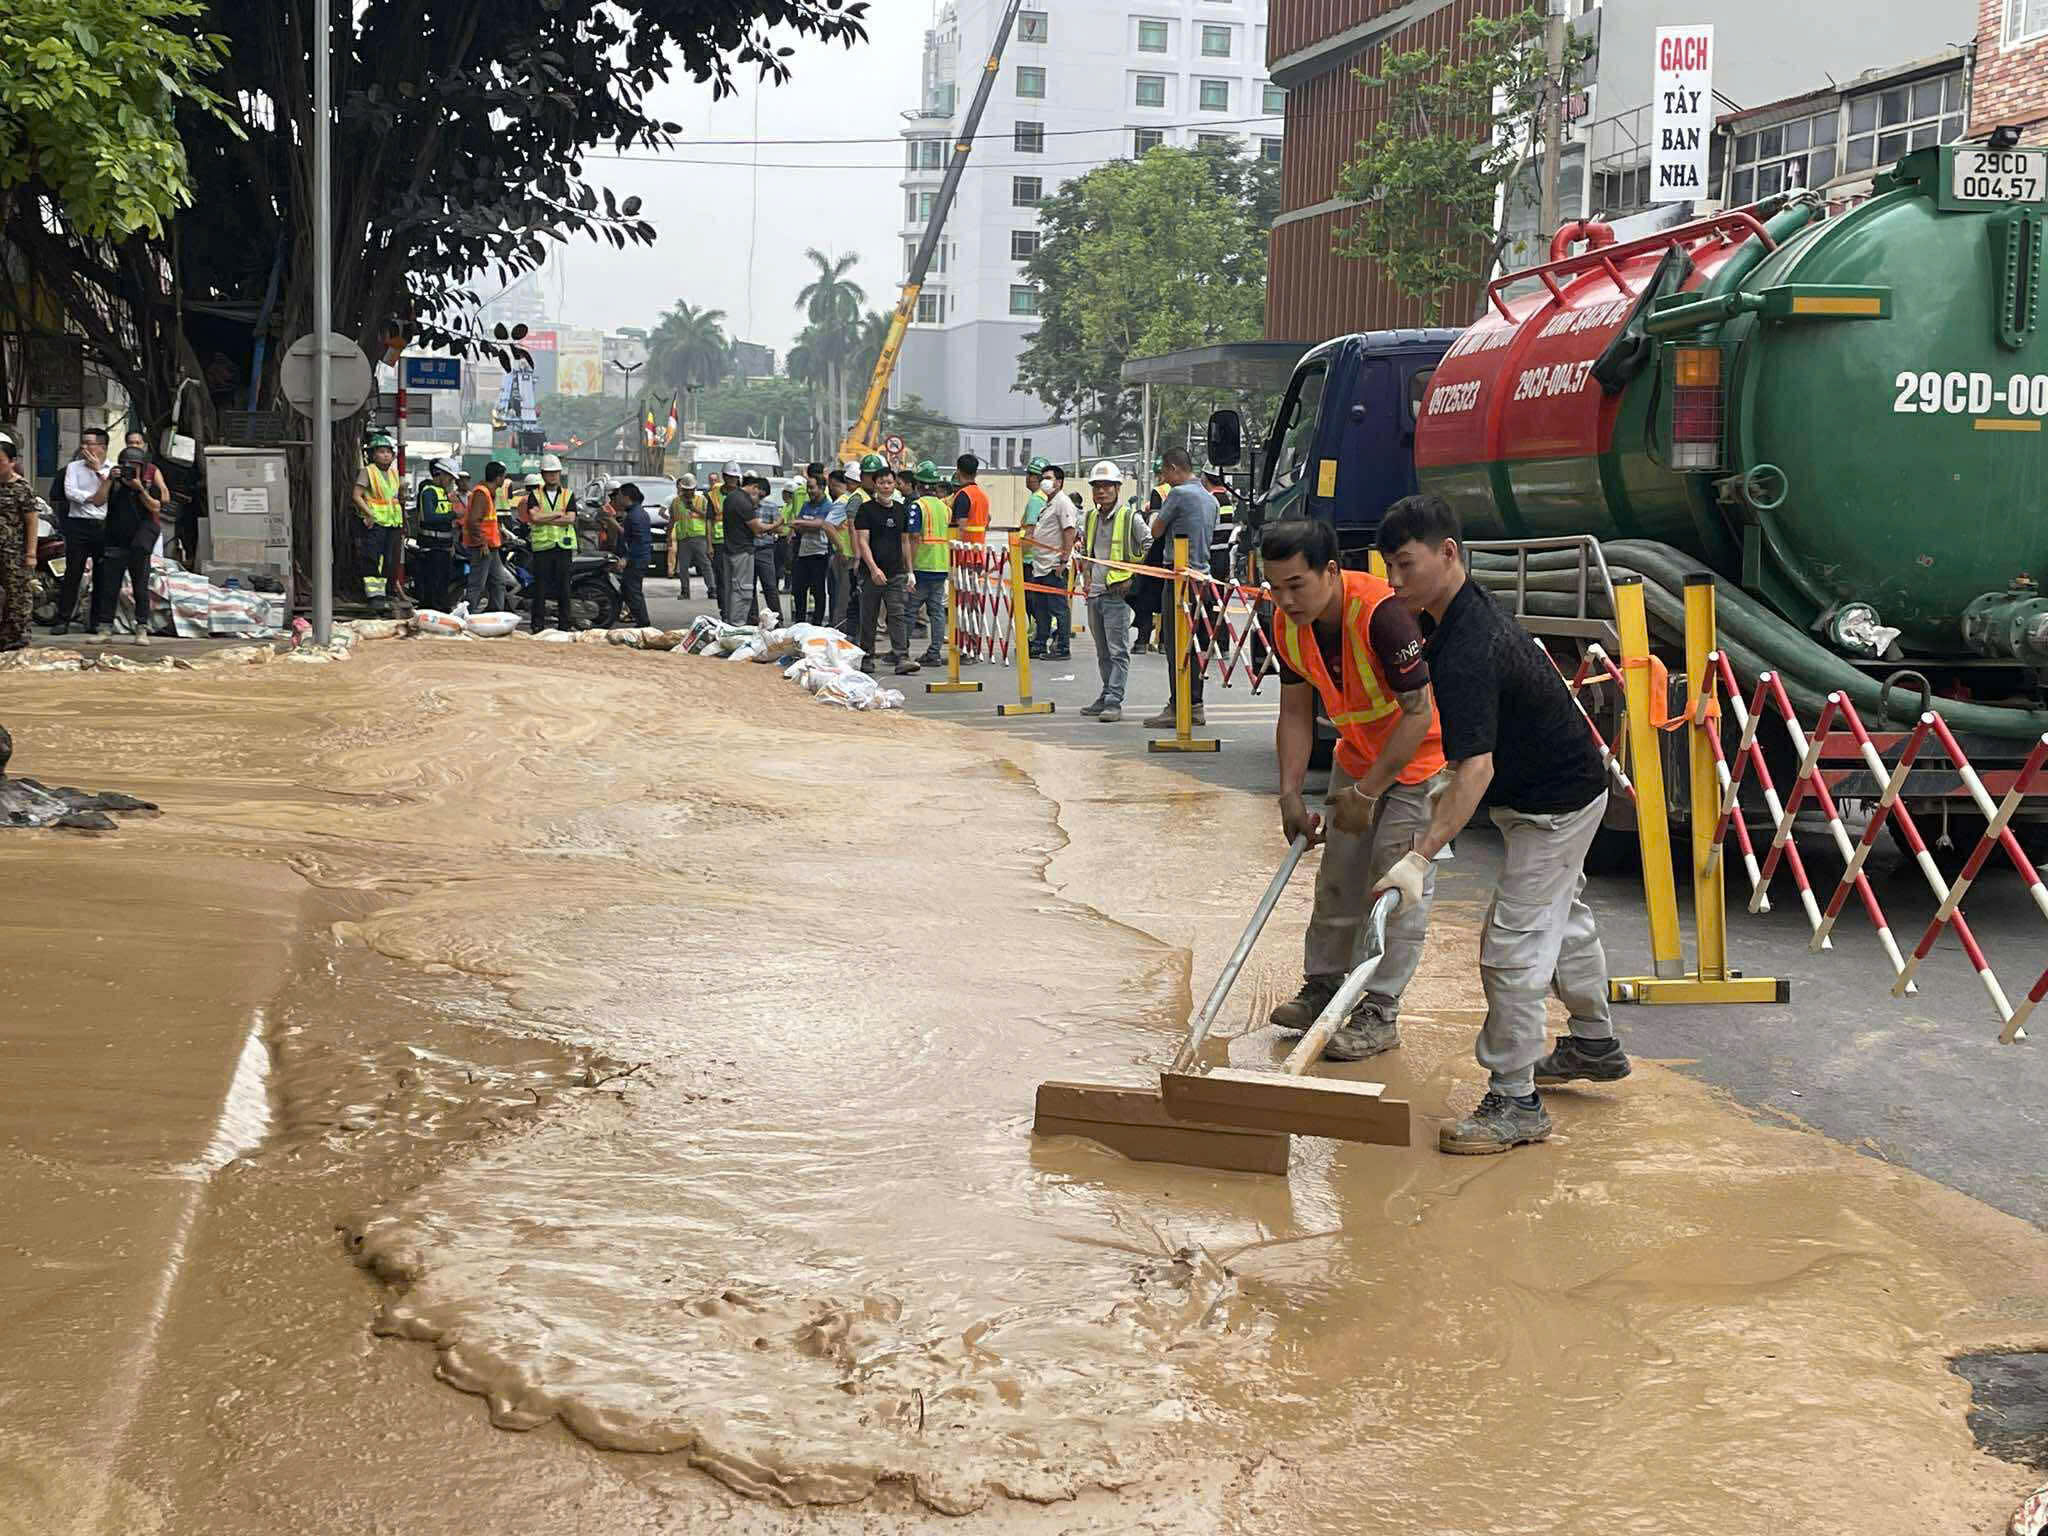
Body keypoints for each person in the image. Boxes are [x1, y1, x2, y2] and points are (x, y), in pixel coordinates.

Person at [1373, 493, 1629, 1155]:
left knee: (1512, 946)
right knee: (1560, 918)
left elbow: (1475, 770)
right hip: (1553, 787)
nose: (1394, 581)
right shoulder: (1453, 618)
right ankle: (1595, 1044)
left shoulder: (1467, 644)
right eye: (1387, 567)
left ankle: (1516, 1101)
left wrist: (1421, 854)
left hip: (1555, 803)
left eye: (1404, 565)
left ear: (1449, 554)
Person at [1257, 518, 1446, 1061]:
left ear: (1332, 572)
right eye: (1275, 586)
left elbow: (1418, 712)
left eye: (1297, 584)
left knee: (1396, 888)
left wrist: (1369, 794)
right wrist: (1290, 792)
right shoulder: (1287, 624)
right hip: (1358, 757)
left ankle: (1378, 1010)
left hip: (1418, 761)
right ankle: (1323, 986)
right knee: (1338, 876)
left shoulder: (1382, 615)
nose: (1286, 599)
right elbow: (1295, 710)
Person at [1144, 446, 1219, 730]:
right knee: (1195, 645)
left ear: (1174, 469)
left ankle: (1178, 706)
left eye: (1164, 472)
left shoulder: (1178, 494)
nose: (1164, 478)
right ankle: (1196, 704)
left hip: (1179, 580)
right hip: (1203, 577)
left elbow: (1156, 531)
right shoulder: (1210, 500)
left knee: (1176, 646)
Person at [1077, 461, 1146, 725]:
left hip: (1116, 594)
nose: (1101, 491)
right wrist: (1085, 576)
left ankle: (1114, 701)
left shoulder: (1131, 518)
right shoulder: (1092, 517)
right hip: (1095, 592)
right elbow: (1089, 552)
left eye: (1106, 486)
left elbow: (1150, 546)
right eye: (1097, 486)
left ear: (1117, 488)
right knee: (1103, 651)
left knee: (1117, 651)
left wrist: (1133, 577)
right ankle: (1106, 694)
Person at [90, 447, 163, 641]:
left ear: (142, 467)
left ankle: (141, 628)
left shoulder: (147, 485)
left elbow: (156, 507)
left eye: (134, 466)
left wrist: (139, 488)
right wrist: (109, 480)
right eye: (125, 465)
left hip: (139, 543)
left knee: (140, 587)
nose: (129, 469)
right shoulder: (114, 484)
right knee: (109, 586)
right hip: (115, 540)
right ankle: (105, 628)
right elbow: (97, 501)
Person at [854, 464, 920, 675]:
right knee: (869, 615)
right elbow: (863, 542)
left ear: (895, 485)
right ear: (875, 484)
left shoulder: (900, 510)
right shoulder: (865, 510)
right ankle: (866, 657)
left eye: (890, 482)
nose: (886, 486)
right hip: (871, 573)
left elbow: (905, 542)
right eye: (881, 482)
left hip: (896, 573)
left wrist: (910, 571)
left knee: (897, 614)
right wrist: (873, 569)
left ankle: (902, 656)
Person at [51, 428, 111, 634]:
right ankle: (63, 619)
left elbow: (111, 495)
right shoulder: (73, 468)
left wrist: (98, 472)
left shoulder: (112, 469)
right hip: (78, 526)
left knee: (102, 576)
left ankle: (95, 621)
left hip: (104, 526)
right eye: (83, 442)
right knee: (72, 573)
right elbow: (71, 493)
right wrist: (94, 497)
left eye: (89, 443)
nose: (84, 447)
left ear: (102, 447)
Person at [521, 453, 578, 632]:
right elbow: (534, 517)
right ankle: (538, 625)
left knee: (564, 589)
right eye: (548, 472)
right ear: (543, 474)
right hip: (542, 548)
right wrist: (557, 514)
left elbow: (570, 519)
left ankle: (564, 625)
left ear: (560, 473)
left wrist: (544, 518)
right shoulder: (535, 495)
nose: (552, 476)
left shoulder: (568, 495)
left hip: (562, 547)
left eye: (555, 472)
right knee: (540, 589)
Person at [1026, 463, 1077, 660]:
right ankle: (1040, 644)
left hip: (1054, 566)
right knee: (1040, 607)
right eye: (1042, 478)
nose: (1044, 482)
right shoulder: (1049, 503)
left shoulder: (1063, 503)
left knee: (1058, 608)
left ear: (1059, 482)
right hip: (1041, 566)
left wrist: (1063, 560)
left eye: (1048, 478)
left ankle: (1063, 647)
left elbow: (1069, 531)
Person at [907, 459, 955, 666]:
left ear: (917, 484)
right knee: (936, 612)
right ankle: (934, 652)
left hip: (922, 566)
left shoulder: (917, 506)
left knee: (910, 610)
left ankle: (901, 650)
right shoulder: (944, 508)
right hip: (940, 566)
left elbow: (914, 537)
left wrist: (908, 568)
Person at [353, 433, 407, 606]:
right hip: (376, 523)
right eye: (381, 452)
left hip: (393, 523)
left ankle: (387, 592)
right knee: (372, 558)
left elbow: (394, 498)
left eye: (388, 452)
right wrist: (369, 514)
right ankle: (374, 596)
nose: (385, 455)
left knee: (390, 560)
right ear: (373, 455)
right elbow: (356, 495)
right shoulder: (368, 472)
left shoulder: (393, 474)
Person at [718, 463, 768, 625]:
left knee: (732, 588)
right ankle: (737, 623)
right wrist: (777, 524)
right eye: (759, 496)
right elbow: (757, 528)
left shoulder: (731, 498)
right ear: (754, 487)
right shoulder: (743, 502)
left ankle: (730, 620)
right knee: (743, 589)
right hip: (742, 552)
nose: (758, 501)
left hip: (730, 549)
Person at [461, 461, 514, 612]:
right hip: (482, 548)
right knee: (477, 584)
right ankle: (466, 614)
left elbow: (486, 520)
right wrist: (482, 543)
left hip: (491, 547)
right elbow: (473, 521)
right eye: (503, 476)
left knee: (498, 582)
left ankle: (496, 613)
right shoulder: (481, 493)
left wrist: (500, 532)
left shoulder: (488, 493)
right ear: (498, 478)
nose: (504, 480)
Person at [787, 463, 834, 626]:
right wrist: (804, 524)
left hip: (820, 554)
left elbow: (820, 524)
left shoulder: (828, 506)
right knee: (799, 590)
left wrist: (801, 523)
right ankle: (800, 623)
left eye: (812, 488)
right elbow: (799, 527)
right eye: (808, 487)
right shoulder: (807, 505)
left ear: (821, 488)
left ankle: (817, 623)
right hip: (803, 552)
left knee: (818, 591)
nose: (809, 491)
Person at [0, 435, 35, 652]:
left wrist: (31, 553)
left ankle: (15, 641)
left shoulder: (22, 487)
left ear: (12, 461)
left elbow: (31, 520)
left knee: (17, 598)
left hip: (13, 552)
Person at [601, 481, 653, 628]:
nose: (617, 499)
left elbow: (638, 540)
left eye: (619, 496)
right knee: (628, 589)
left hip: (637, 559)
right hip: (638, 557)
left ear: (626, 497)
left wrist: (626, 558)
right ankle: (640, 620)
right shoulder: (635, 513)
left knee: (633, 590)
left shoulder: (636, 515)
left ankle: (644, 623)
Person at [412, 457, 461, 610]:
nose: (451, 481)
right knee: (432, 587)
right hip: (431, 548)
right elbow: (429, 517)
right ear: (439, 474)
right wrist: (453, 514)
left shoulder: (444, 493)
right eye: (449, 477)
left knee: (442, 586)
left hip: (444, 547)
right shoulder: (428, 492)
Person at [667, 473, 719, 604]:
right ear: (682, 489)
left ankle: (712, 589)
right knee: (683, 567)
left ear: (695, 489)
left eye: (691, 490)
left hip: (699, 537)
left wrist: (694, 508)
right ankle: (685, 591)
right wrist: (669, 536)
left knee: (705, 565)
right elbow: (672, 519)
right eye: (686, 490)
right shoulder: (676, 501)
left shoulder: (702, 500)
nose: (688, 493)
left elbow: (709, 517)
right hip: (683, 538)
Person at [828, 458, 866, 631]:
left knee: (852, 597)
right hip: (847, 556)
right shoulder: (845, 500)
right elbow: (828, 525)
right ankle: (839, 632)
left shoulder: (858, 498)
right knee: (844, 598)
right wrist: (841, 549)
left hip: (855, 554)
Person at [745, 475, 785, 625]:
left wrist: (766, 529)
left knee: (769, 585)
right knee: (750, 586)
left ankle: (777, 619)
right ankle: (753, 619)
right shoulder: (746, 507)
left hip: (765, 550)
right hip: (749, 549)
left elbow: (780, 528)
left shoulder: (771, 506)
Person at [953, 452, 991, 545]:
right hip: (979, 550)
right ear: (976, 473)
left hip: (965, 553)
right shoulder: (983, 496)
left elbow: (961, 526)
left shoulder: (963, 495)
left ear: (958, 472)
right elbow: (988, 519)